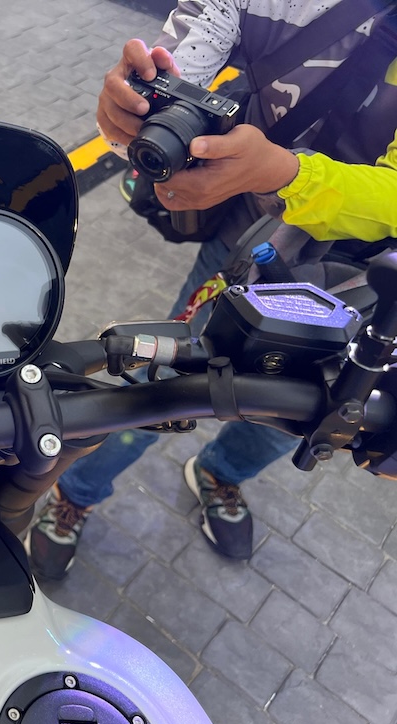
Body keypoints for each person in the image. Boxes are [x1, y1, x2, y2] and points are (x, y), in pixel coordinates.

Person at [29, 0, 397, 580]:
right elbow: (179, 63)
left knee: (318, 409)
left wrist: (287, 174)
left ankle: (220, 473)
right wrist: (133, 113)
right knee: (169, 376)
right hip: (252, 244)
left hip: (370, 281)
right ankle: (76, 490)